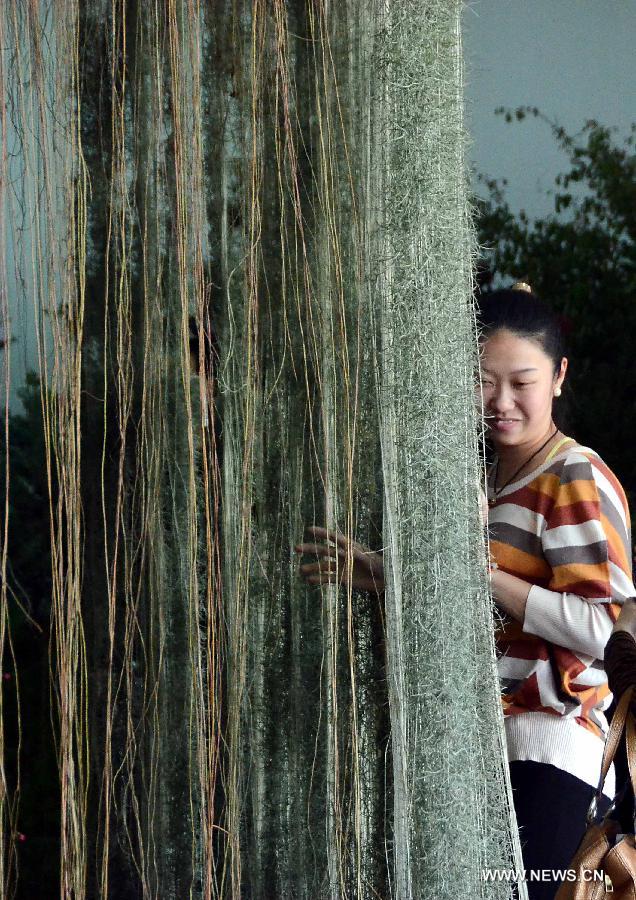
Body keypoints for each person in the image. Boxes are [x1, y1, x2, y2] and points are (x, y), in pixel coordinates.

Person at [296, 282, 635, 899]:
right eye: (483, 380)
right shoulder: (496, 481)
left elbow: (603, 630)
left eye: (521, 382)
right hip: (492, 757)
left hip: (551, 755)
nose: (500, 401)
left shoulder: (572, 473)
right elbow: (480, 592)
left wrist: (480, 570)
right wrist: (377, 571)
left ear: (559, 377)